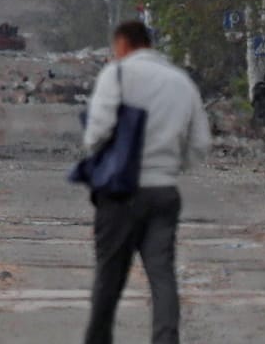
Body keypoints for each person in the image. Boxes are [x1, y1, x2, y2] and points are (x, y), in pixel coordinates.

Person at [81, 21, 210, 344]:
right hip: (163, 192)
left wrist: (102, 156)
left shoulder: (118, 75)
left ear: (122, 44)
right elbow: (200, 143)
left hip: (120, 194)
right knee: (162, 274)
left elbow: (97, 133)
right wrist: (170, 167)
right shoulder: (181, 82)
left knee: (109, 276)